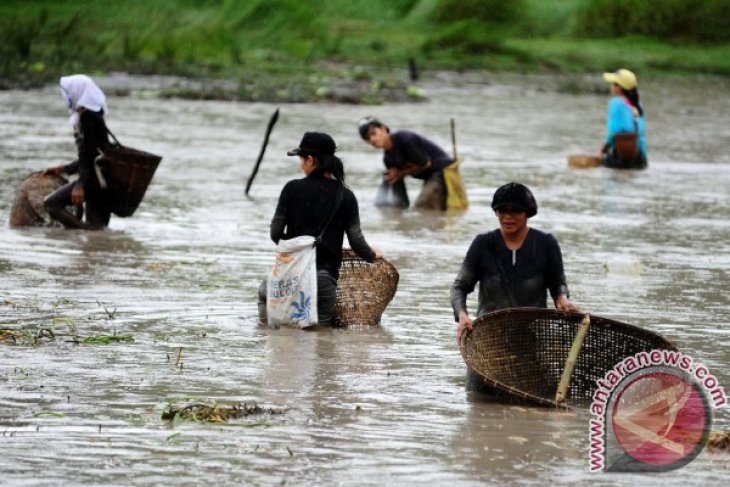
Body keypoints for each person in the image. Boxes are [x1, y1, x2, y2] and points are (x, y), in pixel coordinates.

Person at [450, 182, 580, 393]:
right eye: (502, 210)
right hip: (488, 345)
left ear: (527, 213)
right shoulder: (483, 244)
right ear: (496, 212)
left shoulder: (546, 244)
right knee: (478, 406)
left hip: (532, 344)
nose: (507, 216)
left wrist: (562, 300)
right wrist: (462, 315)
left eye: (515, 211)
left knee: (537, 405)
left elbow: (558, 284)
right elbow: (459, 288)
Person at [258, 132, 382, 327]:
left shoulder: (292, 188)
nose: (301, 163)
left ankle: (266, 335)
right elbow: (356, 241)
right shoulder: (345, 195)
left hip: (291, 276)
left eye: (301, 158)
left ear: (310, 159)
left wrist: (297, 245)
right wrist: (373, 255)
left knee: (267, 305)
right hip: (324, 281)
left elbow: (275, 233)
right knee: (319, 342)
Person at [43, 74, 112, 229]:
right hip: (104, 182)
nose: (66, 97)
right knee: (98, 231)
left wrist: (80, 185)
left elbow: (89, 155)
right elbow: (94, 153)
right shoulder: (94, 115)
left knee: (51, 204)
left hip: (94, 182)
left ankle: (82, 232)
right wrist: (64, 169)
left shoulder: (88, 117)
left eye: (68, 92)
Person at [358, 117, 453, 210]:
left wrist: (400, 174)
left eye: (373, 133)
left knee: (422, 207)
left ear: (383, 129)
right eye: (367, 139)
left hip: (442, 170)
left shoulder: (404, 139)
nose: (372, 140)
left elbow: (426, 163)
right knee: (390, 178)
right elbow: (396, 180)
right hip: (428, 176)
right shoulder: (388, 159)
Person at [600, 69, 647, 169]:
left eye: (613, 84)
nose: (611, 86)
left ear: (619, 88)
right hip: (640, 158)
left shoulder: (616, 103)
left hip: (620, 157)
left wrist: (602, 151)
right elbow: (641, 134)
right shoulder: (638, 105)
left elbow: (614, 132)